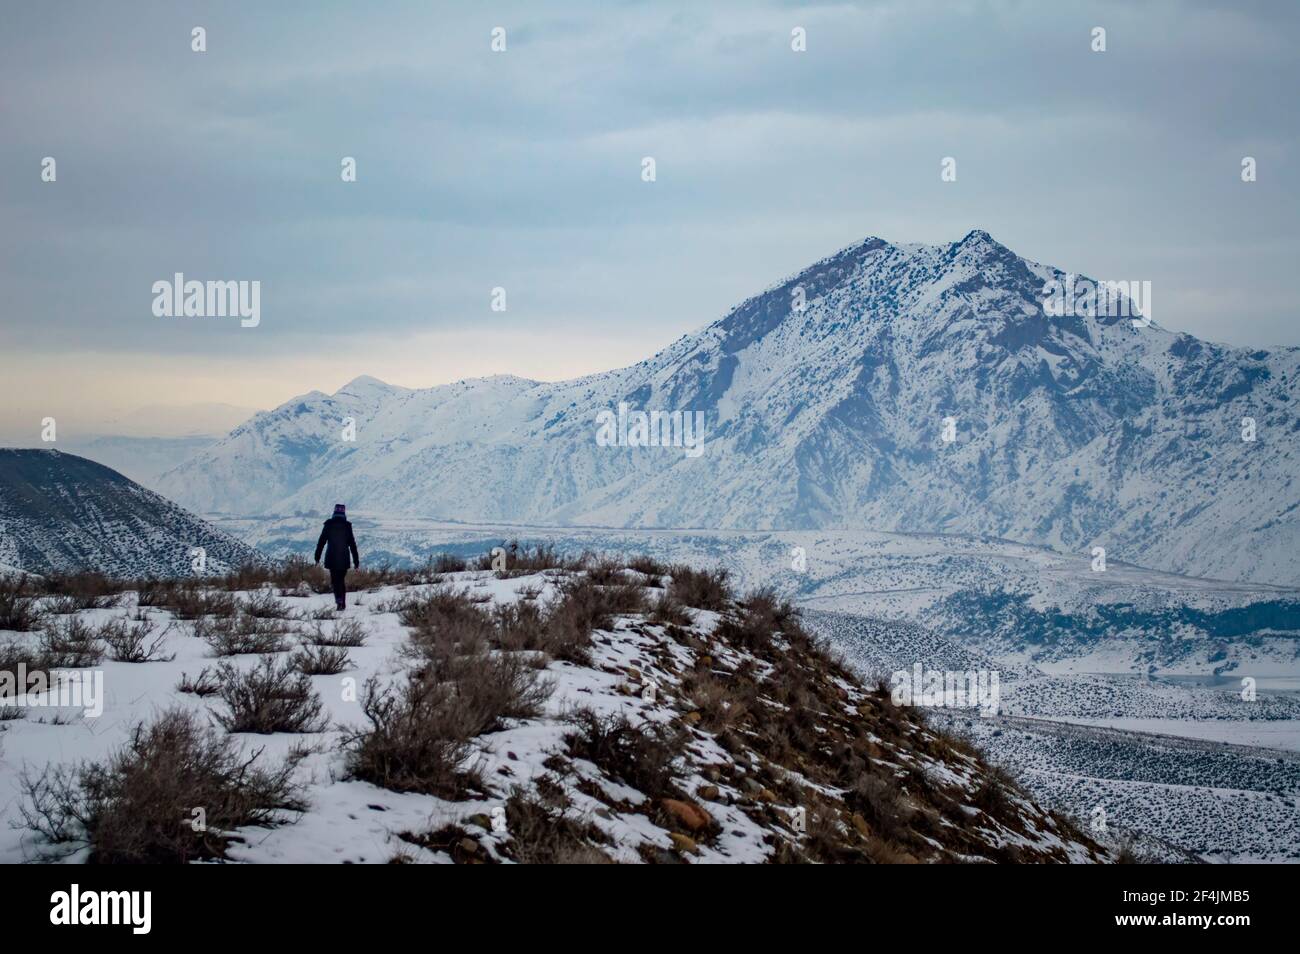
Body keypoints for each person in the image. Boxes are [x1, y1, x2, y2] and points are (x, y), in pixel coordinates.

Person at [314, 503, 359, 610]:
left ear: (334, 512)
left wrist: (317, 557)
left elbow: (321, 542)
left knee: (335, 580)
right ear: (344, 512)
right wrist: (356, 561)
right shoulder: (347, 526)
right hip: (344, 558)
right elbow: (352, 544)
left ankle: (339, 601)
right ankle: (342, 602)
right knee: (341, 580)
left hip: (332, 557)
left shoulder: (328, 525)